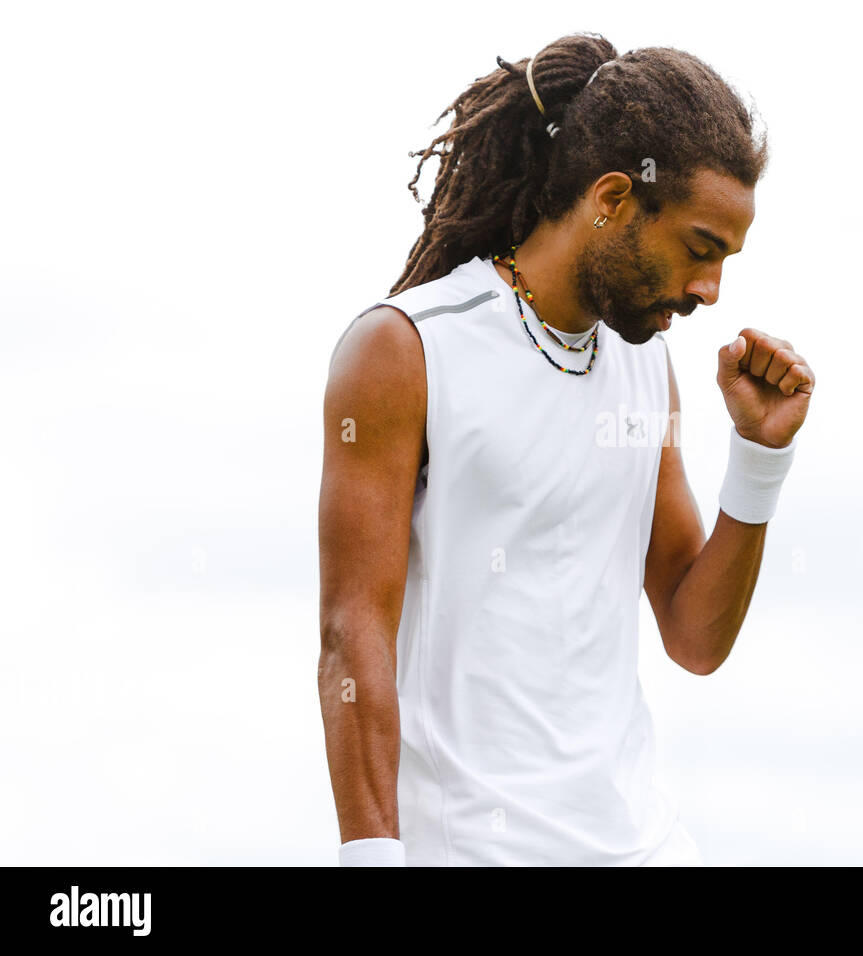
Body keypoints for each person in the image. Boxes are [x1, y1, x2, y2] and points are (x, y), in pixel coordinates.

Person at [317, 32, 815, 866]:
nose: (710, 290)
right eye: (700, 248)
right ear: (615, 198)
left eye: (726, 260)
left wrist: (758, 460)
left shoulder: (645, 369)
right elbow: (351, 631)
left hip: (647, 847)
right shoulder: (405, 350)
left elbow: (695, 637)